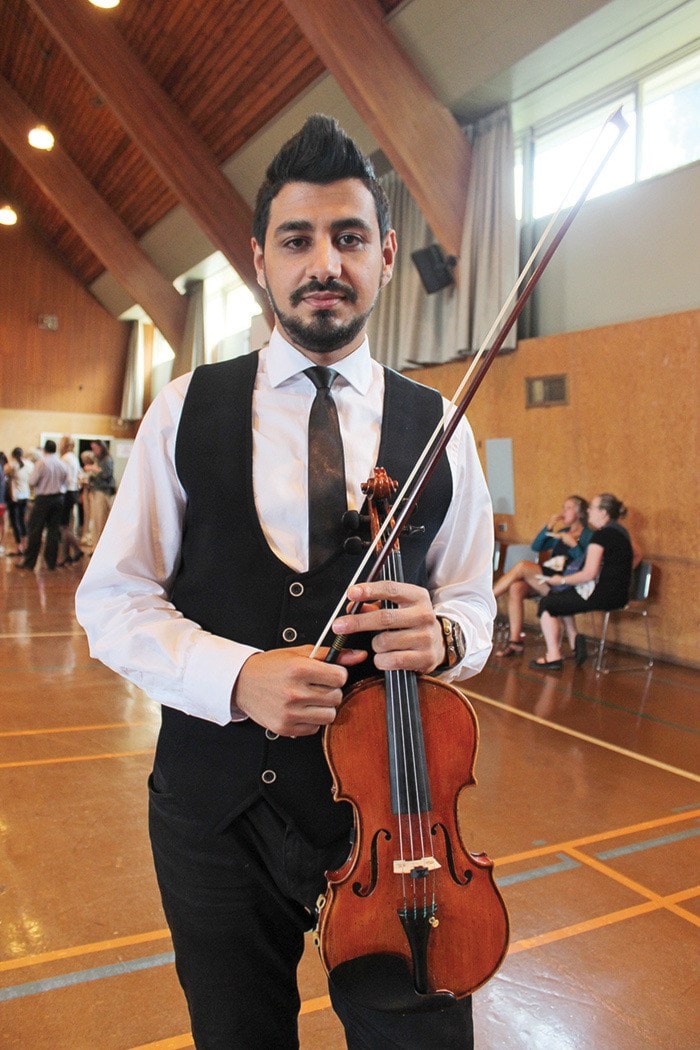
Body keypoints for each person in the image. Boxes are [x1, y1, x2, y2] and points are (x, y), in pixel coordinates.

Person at [76, 115, 496, 1049]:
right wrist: (235, 676)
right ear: (259, 259)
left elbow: (474, 600)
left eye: (349, 239)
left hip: (403, 821)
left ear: (386, 256)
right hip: (215, 810)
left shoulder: (440, 427)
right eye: (298, 240)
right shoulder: (186, 407)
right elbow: (112, 599)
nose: (324, 264)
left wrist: (451, 636)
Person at [529, 493, 634, 670]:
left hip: (602, 595)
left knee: (548, 604)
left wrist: (561, 579)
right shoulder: (622, 532)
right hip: (621, 593)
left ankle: (553, 656)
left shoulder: (601, 536)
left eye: (592, 507)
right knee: (561, 597)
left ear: (604, 513)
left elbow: (588, 574)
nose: (588, 511)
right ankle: (573, 640)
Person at [494, 495, 592, 657]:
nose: (563, 512)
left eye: (567, 508)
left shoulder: (588, 535)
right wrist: (549, 526)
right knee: (516, 587)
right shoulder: (563, 532)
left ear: (579, 512)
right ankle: (515, 641)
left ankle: (490, 598)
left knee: (523, 566)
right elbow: (537, 546)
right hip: (549, 574)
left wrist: (573, 545)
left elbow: (587, 562)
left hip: (566, 580)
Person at [19, 439, 68, 572]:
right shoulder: (62, 463)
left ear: (45, 449)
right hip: (58, 499)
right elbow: (65, 480)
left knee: (35, 530)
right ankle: (51, 563)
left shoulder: (42, 462)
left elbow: (32, 481)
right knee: (53, 531)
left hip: (43, 499)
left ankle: (30, 562)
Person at [83, 440, 115, 547]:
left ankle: (101, 546)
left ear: (101, 447)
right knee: (96, 521)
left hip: (103, 492)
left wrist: (93, 469)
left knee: (101, 521)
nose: (94, 451)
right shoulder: (99, 460)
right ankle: (95, 546)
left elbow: (107, 475)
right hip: (96, 491)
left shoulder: (107, 460)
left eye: (95, 448)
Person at [58, 436, 84, 566]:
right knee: (66, 525)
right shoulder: (74, 458)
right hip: (73, 491)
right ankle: (65, 555)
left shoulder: (65, 458)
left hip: (67, 492)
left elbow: (63, 477)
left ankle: (77, 549)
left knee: (63, 526)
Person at [5, 447, 32, 556]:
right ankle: (25, 544)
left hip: (15, 497)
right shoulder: (29, 464)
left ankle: (18, 546)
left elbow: (4, 473)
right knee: (22, 520)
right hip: (25, 494)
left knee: (15, 521)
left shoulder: (12, 465)